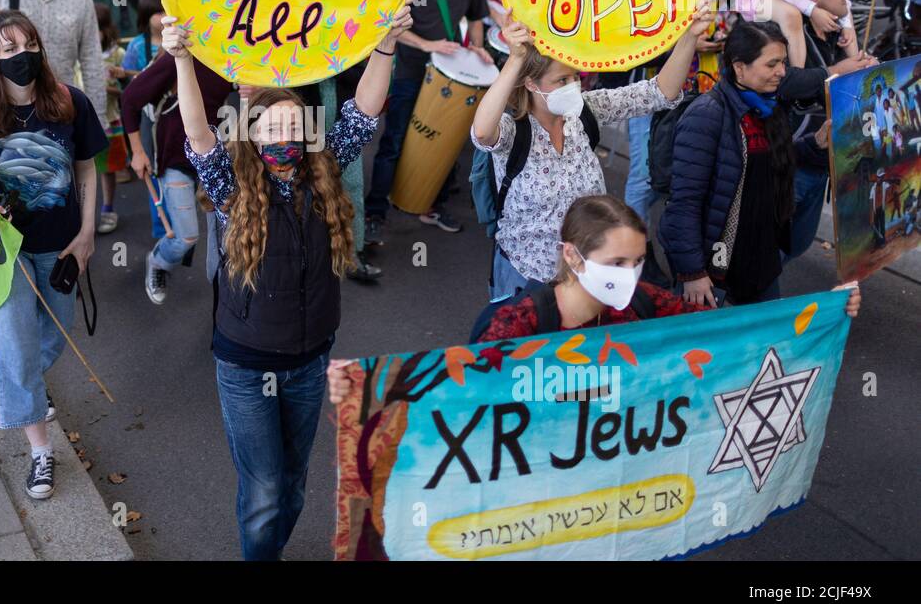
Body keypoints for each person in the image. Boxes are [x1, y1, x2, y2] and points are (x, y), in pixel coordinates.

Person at [165, 0, 413, 561]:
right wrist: (182, 61)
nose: (282, 134)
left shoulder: (325, 169)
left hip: (308, 361)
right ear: (250, 133)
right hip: (246, 366)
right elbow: (198, 134)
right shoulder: (231, 184)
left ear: (308, 133)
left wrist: (386, 42)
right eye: (269, 126)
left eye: (292, 126)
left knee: (296, 482)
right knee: (265, 488)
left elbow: (365, 112)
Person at [327, 196, 860, 407]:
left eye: (637, 261)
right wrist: (362, 388)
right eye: (617, 263)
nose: (631, 275)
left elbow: (725, 332)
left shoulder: (647, 304)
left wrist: (825, 310)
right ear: (573, 257)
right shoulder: (517, 323)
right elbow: (455, 400)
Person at [0, 10, 106, 500]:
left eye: (29, 44)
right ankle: (41, 451)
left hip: (60, 246)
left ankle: (28, 392)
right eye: (9, 48)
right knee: (16, 348)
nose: (23, 55)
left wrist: (86, 236)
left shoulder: (71, 102)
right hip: (6, 257)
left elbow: (86, 169)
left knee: (55, 339)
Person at [472, 0, 714, 302]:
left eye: (575, 77)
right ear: (531, 84)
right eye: (561, 80)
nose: (574, 86)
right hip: (528, 278)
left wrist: (689, 36)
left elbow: (660, 92)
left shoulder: (585, 110)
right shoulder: (513, 131)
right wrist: (516, 59)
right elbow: (482, 132)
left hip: (588, 276)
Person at [365, 0, 493, 240]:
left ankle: (430, 204)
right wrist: (427, 46)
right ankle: (375, 212)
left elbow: (476, 17)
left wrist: (477, 47)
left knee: (444, 143)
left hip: (451, 74)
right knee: (394, 139)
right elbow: (387, 24)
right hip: (409, 69)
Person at [660, 21, 797, 307]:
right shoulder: (707, 115)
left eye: (783, 62)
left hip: (761, 264)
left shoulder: (769, 107)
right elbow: (684, 202)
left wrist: (816, 146)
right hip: (717, 274)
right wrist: (692, 272)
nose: (782, 72)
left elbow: (767, 169)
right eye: (772, 64)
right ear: (739, 67)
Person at [120, 1, 233, 304]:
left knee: (228, 240)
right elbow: (130, 98)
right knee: (186, 237)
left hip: (220, 160)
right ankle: (158, 261)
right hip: (177, 157)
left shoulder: (237, 57)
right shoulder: (180, 54)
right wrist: (137, 151)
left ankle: (228, 301)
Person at [785, 0, 880, 260]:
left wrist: (865, 69)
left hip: (824, 162)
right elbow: (786, 85)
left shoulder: (841, 34)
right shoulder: (790, 31)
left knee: (798, 243)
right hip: (793, 161)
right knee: (767, 248)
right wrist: (837, 69)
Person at [93, 3, 129, 234]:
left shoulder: (118, 54)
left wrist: (109, 90)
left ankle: (107, 208)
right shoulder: (78, 53)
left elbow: (129, 92)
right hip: (86, 120)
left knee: (108, 168)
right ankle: (83, 214)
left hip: (110, 118)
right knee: (83, 169)